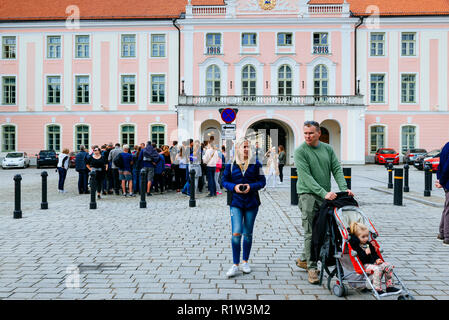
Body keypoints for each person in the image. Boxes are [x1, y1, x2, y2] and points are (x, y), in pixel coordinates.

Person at [294, 120, 354, 284]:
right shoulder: (300, 151)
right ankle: (312, 268)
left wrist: (344, 189)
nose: (307, 136)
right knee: (311, 232)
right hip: (308, 195)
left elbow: (336, 169)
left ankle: (304, 258)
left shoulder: (327, 149)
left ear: (319, 133)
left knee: (326, 231)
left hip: (325, 196)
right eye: (305, 133)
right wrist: (323, 192)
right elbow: (306, 177)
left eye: (311, 133)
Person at [222, 138, 266, 277]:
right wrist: (234, 187)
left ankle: (245, 261)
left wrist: (250, 187)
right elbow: (224, 181)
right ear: (237, 148)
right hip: (236, 202)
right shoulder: (230, 164)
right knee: (236, 233)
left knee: (247, 234)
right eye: (244, 147)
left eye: (248, 147)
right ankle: (235, 264)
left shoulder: (256, 163)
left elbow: (262, 182)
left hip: (252, 203)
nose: (246, 149)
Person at [349, 222, 401, 295]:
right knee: (377, 269)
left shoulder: (368, 244)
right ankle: (377, 289)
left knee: (388, 266)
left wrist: (377, 259)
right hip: (364, 265)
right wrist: (365, 253)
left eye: (367, 236)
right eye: (363, 237)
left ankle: (390, 287)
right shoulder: (355, 246)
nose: (366, 238)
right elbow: (359, 258)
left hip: (373, 263)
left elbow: (374, 253)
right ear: (357, 237)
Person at [436, 141, 449, 246]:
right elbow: (447, 167)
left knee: (447, 208)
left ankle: (442, 233)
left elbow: (440, 165)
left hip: (446, 182)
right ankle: (447, 236)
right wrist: (442, 181)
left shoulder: (446, 145)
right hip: (447, 182)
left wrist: (440, 180)